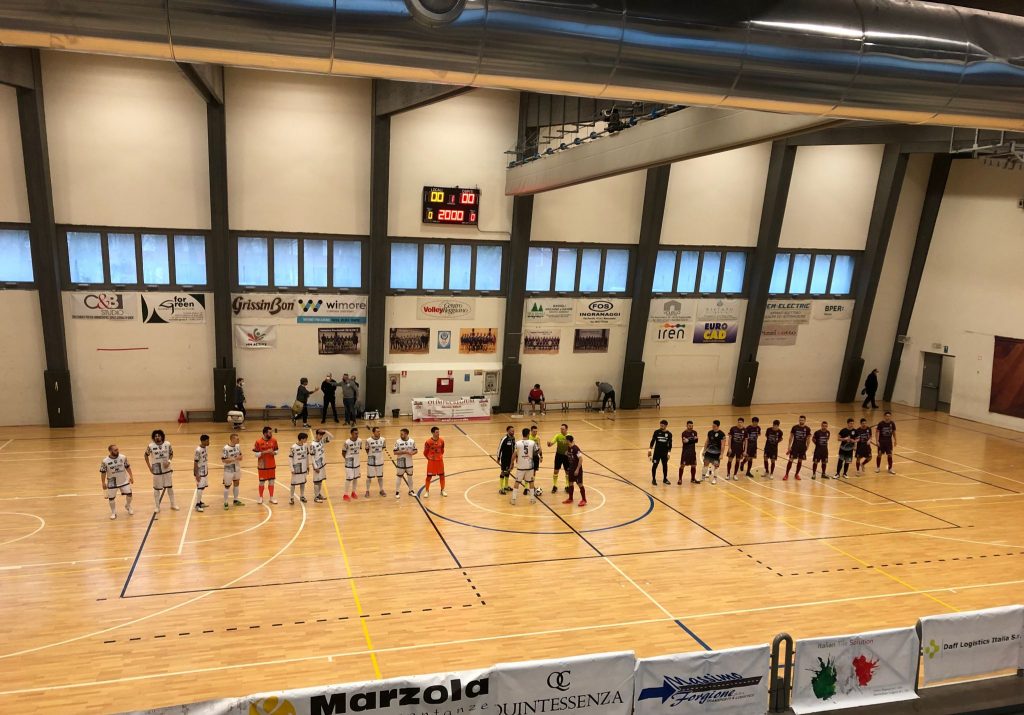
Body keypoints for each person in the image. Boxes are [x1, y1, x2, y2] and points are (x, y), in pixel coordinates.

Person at [145, 429, 179, 518]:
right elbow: (145, 455)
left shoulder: (167, 444)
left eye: (159, 436)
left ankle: (173, 504)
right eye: (155, 436)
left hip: (167, 469)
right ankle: (157, 506)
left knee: (170, 488)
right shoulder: (150, 446)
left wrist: (169, 461)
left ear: (162, 436)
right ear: (153, 437)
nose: (157, 437)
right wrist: (149, 467)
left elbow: (171, 454)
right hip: (157, 470)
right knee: (156, 489)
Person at [100, 444, 134, 520]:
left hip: (123, 480)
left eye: (117, 449)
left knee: (129, 494)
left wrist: (131, 477)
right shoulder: (105, 461)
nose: (117, 451)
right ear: (110, 451)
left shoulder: (123, 457)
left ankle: (128, 506)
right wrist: (103, 482)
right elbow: (103, 472)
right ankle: (113, 512)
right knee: (111, 498)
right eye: (115, 450)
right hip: (112, 482)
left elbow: (127, 467)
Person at [253, 426, 279, 504]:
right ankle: (260, 497)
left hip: (271, 465)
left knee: (271, 482)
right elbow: (256, 454)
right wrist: (265, 452)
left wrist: (273, 453)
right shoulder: (258, 442)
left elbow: (277, 451)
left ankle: (271, 498)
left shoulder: (274, 440)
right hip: (262, 465)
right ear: (265, 433)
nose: (271, 434)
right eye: (270, 432)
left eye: (271, 432)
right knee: (262, 482)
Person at [512, 427, 538, 505]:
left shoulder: (518, 443)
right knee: (531, 482)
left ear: (522, 434)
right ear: (528, 434)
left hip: (520, 466)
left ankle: (513, 499)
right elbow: (537, 452)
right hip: (529, 466)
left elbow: (514, 454)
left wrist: (511, 463)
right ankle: (532, 499)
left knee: (517, 482)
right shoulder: (532, 442)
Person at [308, 428, 334, 503]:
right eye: (320, 435)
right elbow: (312, 457)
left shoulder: (321, 442)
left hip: (322, 464)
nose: (321, 436)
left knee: (320, 481)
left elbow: (331, 437)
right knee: (316, 481)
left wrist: (326, 431)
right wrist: (315, 467)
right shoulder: (313, 445)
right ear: (316, 435)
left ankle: (318, 494)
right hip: (317, 466)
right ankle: (316, 497)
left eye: (322, 435)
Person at [561, 435, 587, 507]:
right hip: (571, 469)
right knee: (570, 483)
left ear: (568, 441)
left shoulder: (576, 448)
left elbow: (581, 459)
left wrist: (577, 469)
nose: (564, 441)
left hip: (576, 470)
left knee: (580, 484)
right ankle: (570, 498)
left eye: (565, 440)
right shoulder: (569, 447)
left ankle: (584, 500)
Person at [784, 416, 811, 481]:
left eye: (802, 420)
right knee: (790, 460)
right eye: (800, 420)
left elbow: (808, 439)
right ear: (799, 420)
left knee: (800, 460)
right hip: (795, 447)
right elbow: (791, 437)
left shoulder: (807, 429)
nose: (801, 421)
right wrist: (789, 446)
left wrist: (807, 447)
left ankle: (796, 474)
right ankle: (786, 474)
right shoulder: (795, 427)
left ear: (805, 421)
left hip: (802, 447)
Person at [221, 433, 244, 509]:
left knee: (236, 483)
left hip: (237, 468)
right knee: (227, 486)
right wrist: (234, 459)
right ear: (232, 439)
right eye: (237, 439)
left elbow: (241, 457)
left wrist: (239, 457)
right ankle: (225, 502)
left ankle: (235, 500)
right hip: (229, 469)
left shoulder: (238, 446)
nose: (238, 440)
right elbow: (223, 460)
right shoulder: (226, 448)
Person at [393, 428, 417, 498]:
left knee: (410, 477)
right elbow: (395, 452)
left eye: (402, 434)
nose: (400, 435)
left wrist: (412, 453)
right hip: (400, 462)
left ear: (406, 434)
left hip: (409, 462)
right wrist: (405, 452)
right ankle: (397, 492)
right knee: (399, 477)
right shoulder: (398, 441)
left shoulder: (412, 441)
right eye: (400, 434)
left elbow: (416, 450)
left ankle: (411, 491)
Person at [423, 426, 446, 497]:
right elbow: (425, 452)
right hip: (431, 462)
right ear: (433, 433)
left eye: (438, 432)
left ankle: (442, 490)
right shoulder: (428, 442)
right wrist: (430, 458)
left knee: (442, 476)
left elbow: (442, 451)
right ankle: (427, 491)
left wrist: (439, 457)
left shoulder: (442, 441)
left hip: (439, 461)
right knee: (429, 477)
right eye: (436, 432)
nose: (438, 433)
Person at [648, 419, 672, 485]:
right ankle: (653, 479)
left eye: (662, 425)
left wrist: (669, 453)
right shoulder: (656, 432)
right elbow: (652, 441)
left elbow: (670, 444)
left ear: (666, 426)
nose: (661, 426)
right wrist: (649, 450)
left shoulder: (669, 434)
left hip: (664, 453)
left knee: (665, 466)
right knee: (655, 465)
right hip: (657, 453)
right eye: (660, 425)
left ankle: (665, 479)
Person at [547, 423, 570, 493]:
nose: (561, 430)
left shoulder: (569, 436)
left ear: (566, 429)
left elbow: (572, 445)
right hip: (559, 455)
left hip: (567, 456)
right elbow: (551, 443)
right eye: (561, 429)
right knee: (556, 471)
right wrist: (549, 444)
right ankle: (555, 485)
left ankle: (567, 486)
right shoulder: (558, 436)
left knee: (567, 472)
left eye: (563, 429)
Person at [365, 426, 386, 497]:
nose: (379, 432)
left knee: (380, 477)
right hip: (371, 460)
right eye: (377, 431)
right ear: (373, 432)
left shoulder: (383, 439)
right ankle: (367, 491)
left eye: (379, 431)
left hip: (380, 460)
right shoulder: (368, 440)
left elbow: (383, 448)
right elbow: (367, 450)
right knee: (369, 477)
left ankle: (381, 490)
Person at [288, 432, 309, 504]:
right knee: (293, 483)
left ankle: (302, 496)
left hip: (303, 467)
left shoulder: (305, 446)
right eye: (305, 438)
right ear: (302, 439)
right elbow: (290, 458)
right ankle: (291, 497)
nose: (306, 440)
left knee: (303, 482)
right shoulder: (293, 447)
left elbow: (307, 456)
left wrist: (307, 465)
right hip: (296, 467)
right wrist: (292, 469)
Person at [343, 427, 363, 501]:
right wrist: (347, 460)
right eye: (355, 433)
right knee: (349, 478)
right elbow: (343, 452)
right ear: (351, 434)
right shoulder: (347, 442)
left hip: (357, 463)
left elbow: (359, 449)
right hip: (349, 463)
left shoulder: (360, 441)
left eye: (357, 433)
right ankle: (345, 494)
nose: (357, 435)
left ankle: (353, 492)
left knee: (355, 478)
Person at [497, 425, 516, 495]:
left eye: (513, 431)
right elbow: (499, 448)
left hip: (510, 459)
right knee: (503, 472)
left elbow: (514, 449)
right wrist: (498, 458)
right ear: (507, 431)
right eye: (511, 431)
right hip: (504, 459)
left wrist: (514, 459)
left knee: (508, 472)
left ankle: (506, 486)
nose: (513, 432)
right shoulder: (504, 438)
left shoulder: (513, 438)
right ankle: (501, 488)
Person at [193, 434, 210, 512]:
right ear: (203, 441)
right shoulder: (198, 450)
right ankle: (197, 505)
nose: (209, 442)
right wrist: (197, 474)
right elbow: (195, 463)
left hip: (205, 470)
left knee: (202, 487)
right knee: (200, 487)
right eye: (207, 440)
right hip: (200, 472)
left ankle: (200, 502)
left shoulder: (205, 447)